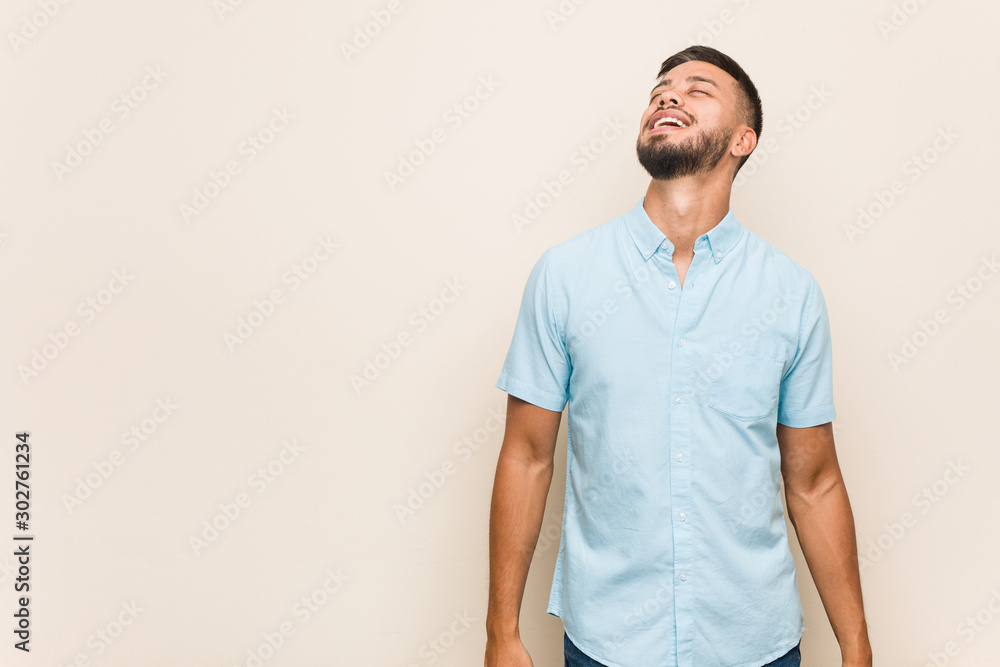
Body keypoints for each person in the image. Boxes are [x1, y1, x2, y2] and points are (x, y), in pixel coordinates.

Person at [484, 45, 872, 667]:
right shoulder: (565, 276)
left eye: (698, 90)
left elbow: (815, 482)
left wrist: (856, 645)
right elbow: (527, 457)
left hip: (756, 642)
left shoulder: (791, 293)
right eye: (660, 89)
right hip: (607, 643)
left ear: (743, 140)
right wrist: (501, 633)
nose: (668, 95)